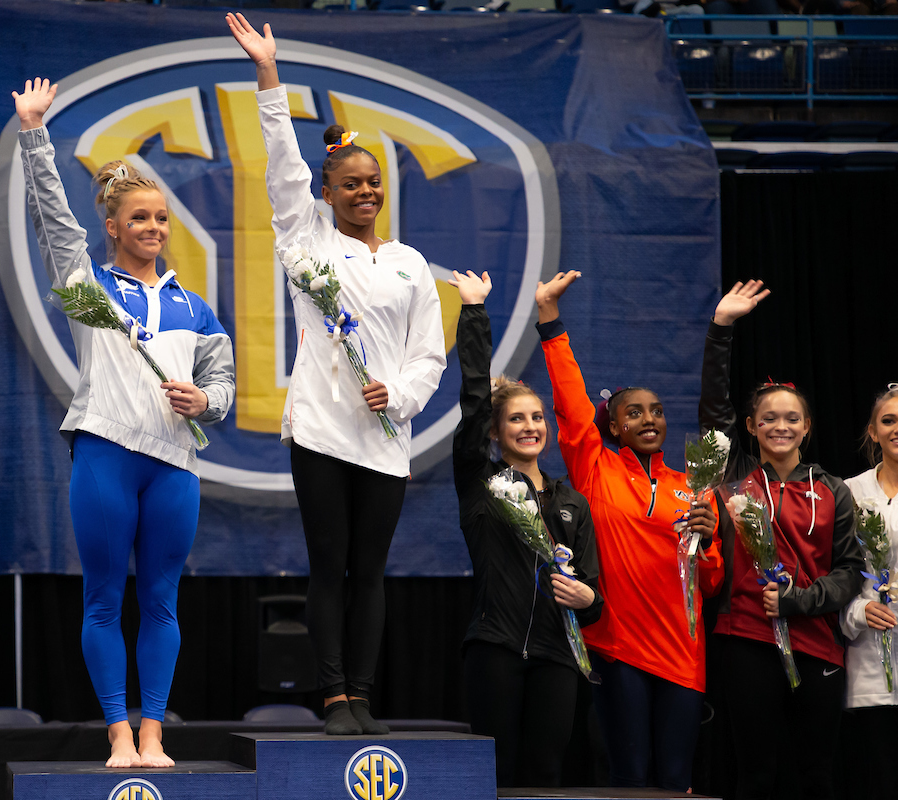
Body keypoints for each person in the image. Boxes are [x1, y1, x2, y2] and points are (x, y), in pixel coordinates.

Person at [227, 13, 447, 736]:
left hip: (384, 434)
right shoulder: (306, 237)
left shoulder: (409, 262)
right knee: (330, 566)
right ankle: (332, 696)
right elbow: (283, 164)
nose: (364, 192)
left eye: (373, 182)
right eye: (350, 183)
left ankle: (363, 691)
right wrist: (269, 76)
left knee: (372, 572)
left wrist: (404, 397)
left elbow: (428, 353)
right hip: (322, 429)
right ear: (325, 193)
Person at [13, 78, 235, 768]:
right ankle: (116, 729)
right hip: (106, 455)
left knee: (162, 603)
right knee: (105, 600)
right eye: (140, 220)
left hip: (173, 467)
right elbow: (52, 217)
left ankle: (153, 732)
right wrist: (33, 134)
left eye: (162, 220)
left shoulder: (195, 306)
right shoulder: (89, 288)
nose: (154, 230)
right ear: (113, 228)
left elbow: (223, 382)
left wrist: (207, 403)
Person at [535, 270, 722, 792]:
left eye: (657, 411)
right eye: (634, 412)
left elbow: (710, 583)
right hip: (619, 648)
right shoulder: (596, 470)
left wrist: (707, 544)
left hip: (684, 653)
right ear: (613, 427)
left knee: (677, 779)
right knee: (631, 780)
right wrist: (551, 322)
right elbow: (572, 406)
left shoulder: (694, 485)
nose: (649, 419)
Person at [700, 280, 864, 799]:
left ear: (807, 427)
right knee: (755, 775)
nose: (780, 426)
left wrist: (799, 601)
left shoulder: (832, 489)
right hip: (745, 639)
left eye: (791, 418)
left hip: (817, 643)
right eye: (768, 418)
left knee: (815, 775)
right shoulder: (735, 478)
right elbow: (713, 411)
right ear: (750, 426)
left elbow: (848, 570)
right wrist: (721, 328)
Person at [450, 269, 603, 787]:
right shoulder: (482, 483)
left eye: (537, 417)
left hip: (558, 655)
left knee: (545, 774)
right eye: (517, 419)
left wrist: (586, 598)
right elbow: (474, 401)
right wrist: (474, 313)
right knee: (495, 776)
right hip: (495, 649)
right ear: (497, 432)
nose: (531, 426)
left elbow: (596, 596)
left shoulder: (571, 504)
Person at [840, 385, 898, 800]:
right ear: (872, 432)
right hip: (869, 665)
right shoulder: (849, 492)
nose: (897, 428)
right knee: (877, 782)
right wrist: (860, 610)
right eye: (888, 420)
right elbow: (836, 576)